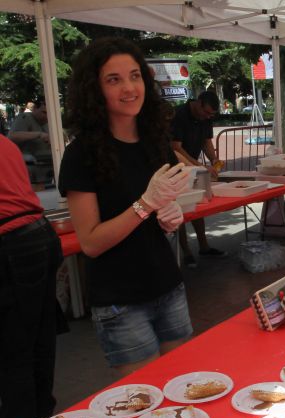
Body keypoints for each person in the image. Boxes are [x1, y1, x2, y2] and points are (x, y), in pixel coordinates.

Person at [58, 37, 193, 375]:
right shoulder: (81, 154)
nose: (129, 87)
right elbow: (90, 242)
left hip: (168, 286)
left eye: (135, 76)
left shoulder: (155, 141)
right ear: (95, 90)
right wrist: (145, 204)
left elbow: (162, 208)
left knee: (184, 387)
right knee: (146, 405)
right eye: (113, 79)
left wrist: (170, 214)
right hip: (121, 301)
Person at [0, 135, 63, 418]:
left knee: (13, 353)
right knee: (37, 343)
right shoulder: (5, 143)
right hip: (37, 237)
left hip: (11, 243)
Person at [170, 91, 225, 268]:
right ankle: (186, 251)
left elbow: (207, 142)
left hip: (193, 167)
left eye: (211, 115)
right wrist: (199, 166)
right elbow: (176, 148)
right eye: (206, 113)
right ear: (198, 103)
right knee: (181, 210)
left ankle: (204, 246)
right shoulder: (179, 115)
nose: (207, 117)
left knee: (197, 204)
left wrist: (214, 160)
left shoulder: (206, 117)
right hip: (175, 167)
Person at [8, 98, 53, 185]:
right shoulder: (25, 118)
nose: (46, 116)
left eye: (49, 113)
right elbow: (12, 136)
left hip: (47, 165)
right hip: (30, 167)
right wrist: (38, 134)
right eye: (44, 112)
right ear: (35, 108)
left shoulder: (49, 122)